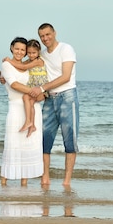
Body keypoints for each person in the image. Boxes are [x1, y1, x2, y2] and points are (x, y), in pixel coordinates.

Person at [27, 23, 78, 186]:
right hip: (49, 98)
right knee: (45, 139)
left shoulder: (66, 49)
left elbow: (66, 76)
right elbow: (24, 66)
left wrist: (41, 88)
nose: (45, 38)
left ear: (54, 33)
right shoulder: (41, 54)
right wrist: (4, 75)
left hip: (67, 97)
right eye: (42, 36)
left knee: (69, 139)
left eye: (48, 34)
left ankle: (66, 181)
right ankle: (45, 178)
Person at [0, 37, 44, 186]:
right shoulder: (6, 65)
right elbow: (14, 84)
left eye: (22, 50)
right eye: (17, 48)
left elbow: (39, 76)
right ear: (11, 48)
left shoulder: (27, 64)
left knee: (28, 145)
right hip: (16, 108)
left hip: (32, 107)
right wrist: (34, 91)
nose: (19, 52)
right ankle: (4, 182)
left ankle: (24, 183)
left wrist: (40, 93)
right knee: (12, 145)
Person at [3, 39, 48, 137]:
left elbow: (23, 67)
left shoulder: (38, 60)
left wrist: (9, 61)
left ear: (39, 52)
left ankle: (29, 122)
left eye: (34, 53)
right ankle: (31, 124)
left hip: (41, 89)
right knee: (29, 100)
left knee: (26, 98)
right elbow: (19, 68)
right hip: (32, 92)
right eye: (29, 53)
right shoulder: (28, 61)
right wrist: (3, 76)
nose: (31, 55)